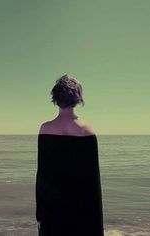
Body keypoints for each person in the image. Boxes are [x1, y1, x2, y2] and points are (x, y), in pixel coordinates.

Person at [35, 74, 104, 236]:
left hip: (52, 204)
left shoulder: (45, 129)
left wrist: (40, 212)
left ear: (55, 98)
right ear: (77, 98)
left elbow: (42, 175)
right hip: (81, 205)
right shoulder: (86, 130)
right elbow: (93, 182)